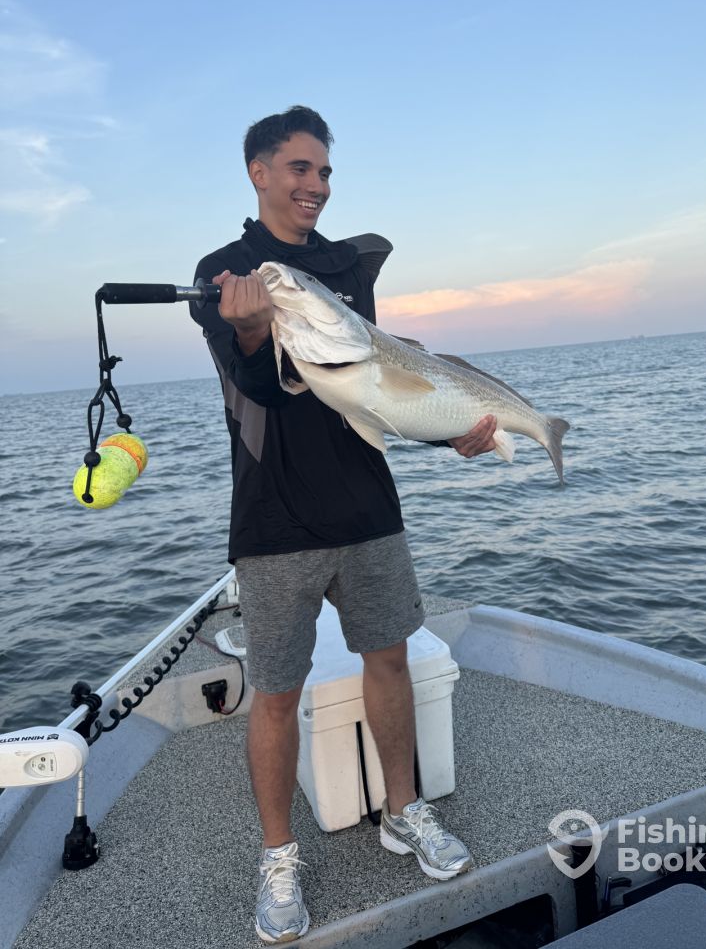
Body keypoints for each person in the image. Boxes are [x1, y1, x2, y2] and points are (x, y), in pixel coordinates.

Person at [191, 106, 496, 944]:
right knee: (276, 694)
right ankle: (279, 856)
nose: (317, 185)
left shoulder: (345, 268)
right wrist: (248, 325)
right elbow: (258, 385)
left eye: (325, 171)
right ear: (258, 171)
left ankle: (404, 810)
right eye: (300, 168)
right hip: (274, 517)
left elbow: (378, 387)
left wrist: (450, 433)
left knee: (389, 660)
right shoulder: (223, 272)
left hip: (367, 506)